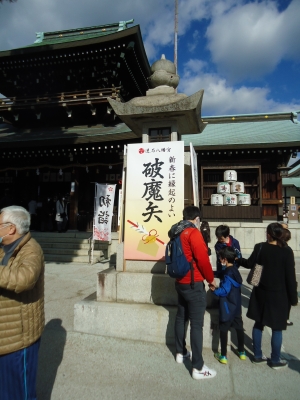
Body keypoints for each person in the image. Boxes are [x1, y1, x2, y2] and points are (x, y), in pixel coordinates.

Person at [238, 222, 298, 369]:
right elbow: (290, 277)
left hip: (261, 292)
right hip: (279, 294)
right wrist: (293, 298)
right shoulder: (286, 251)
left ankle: (257, 356)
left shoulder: (260, 247)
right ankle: (275, 360)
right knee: (277, 328)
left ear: (269, 234)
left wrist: (236, 258)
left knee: (259, 323)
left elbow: (249, 264)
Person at [0, 205, 45, 400]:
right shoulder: (4, 248)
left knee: (20, 393)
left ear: (11, 229)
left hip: (19, 337)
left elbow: (24, 279)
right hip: (4, 332)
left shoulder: (31, 249)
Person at [171, 206, 217, 380]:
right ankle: (198, 367)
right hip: (194, 282)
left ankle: (180, 352)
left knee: (181, 317)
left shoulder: (177, 231)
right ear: (196, 218)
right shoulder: (193, 233)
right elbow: (203, 260)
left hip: (180, 282)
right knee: (197, 324)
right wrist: (211, 280)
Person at [210, 247, 246, 364]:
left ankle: (223, 355)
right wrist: (212, 273)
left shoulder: (227, 274)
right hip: (236, 307)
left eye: (220, 258)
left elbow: (224, 290)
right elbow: (222, 273)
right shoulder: (234, 270)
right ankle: (242, 352)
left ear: (224, 259)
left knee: (224, 329)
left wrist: (214, 290)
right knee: (239, 327)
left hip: (227, 307)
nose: (219, 260)